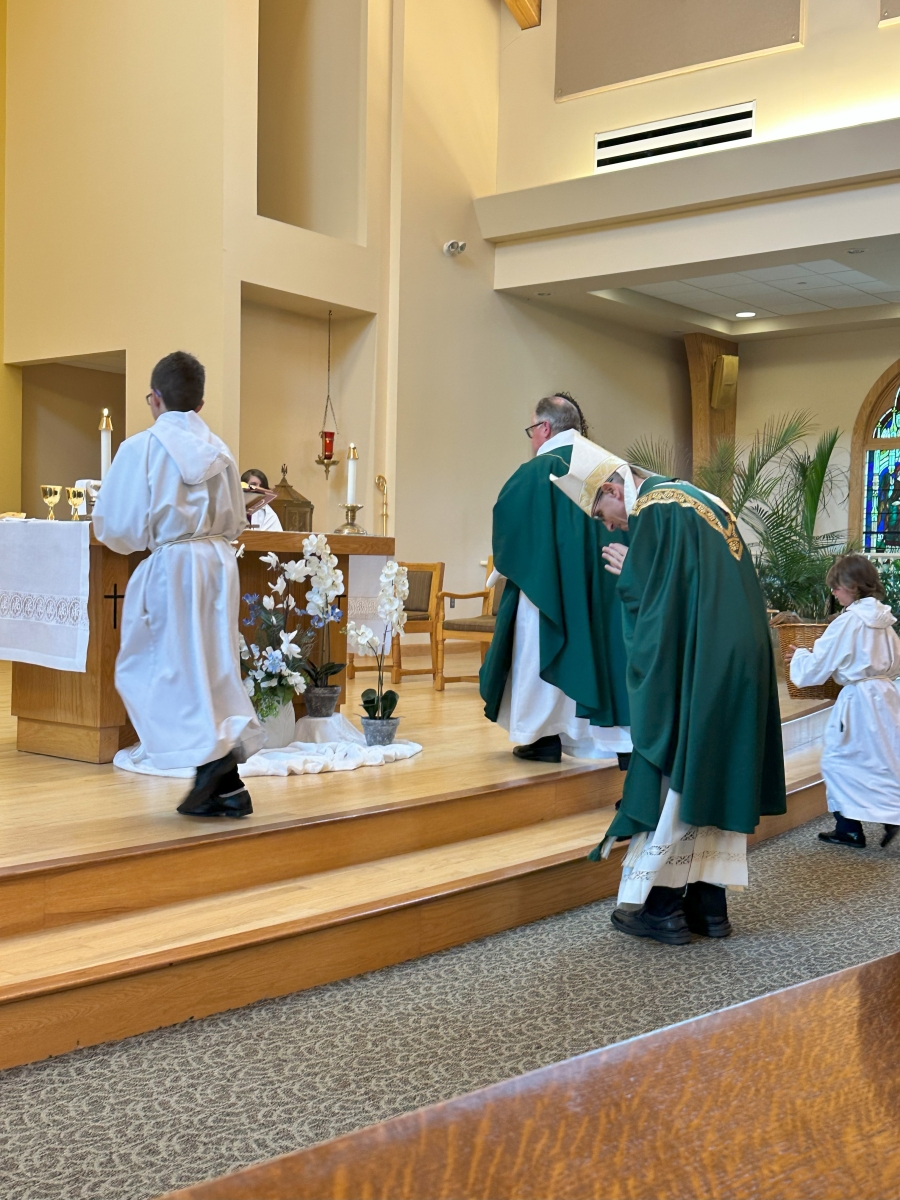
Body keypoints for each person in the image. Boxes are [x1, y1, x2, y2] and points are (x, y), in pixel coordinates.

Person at [552, 443, 786, 943]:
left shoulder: (656, 506)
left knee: (674, 771)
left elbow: (659, 608)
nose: (610, 526)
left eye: (602, 513)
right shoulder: (702, 499)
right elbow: (696, 585)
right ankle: (708, 906)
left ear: (615, 490)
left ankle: (661, 909)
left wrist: (630, 575)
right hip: (740, 656)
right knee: (713, 772)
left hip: (703, 660)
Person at [93, 351, 264, 817]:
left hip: (173, 566)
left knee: (152, 671)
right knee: (210, 668)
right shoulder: (221, 450)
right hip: (216, 562)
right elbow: (234, 519)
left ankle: (213, 765)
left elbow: (117, 528)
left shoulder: (142, 449)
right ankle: (226, 786)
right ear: (201, 404)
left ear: (155, 398)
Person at [480, 392, 631, 765]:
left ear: (545, 428)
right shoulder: (612, 469)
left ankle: (541, 738)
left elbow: (509, 527)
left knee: (537, 647)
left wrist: (505, 568)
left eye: (532, 429)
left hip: (547, 591)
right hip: (603, 589)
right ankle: (604, 739)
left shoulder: (533, 472)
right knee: (600, 650)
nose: (532, 439)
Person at [788, 554, 900, 849]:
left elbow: (817, 667)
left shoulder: (848, 623)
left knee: (837, 761)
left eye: (837, 586)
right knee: (884, 762)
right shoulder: (885, 622)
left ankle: (849, 828)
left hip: (859, 701)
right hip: (886, 697)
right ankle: (890, 818)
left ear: (853, 585)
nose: (834, 593)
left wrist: (799, 655)